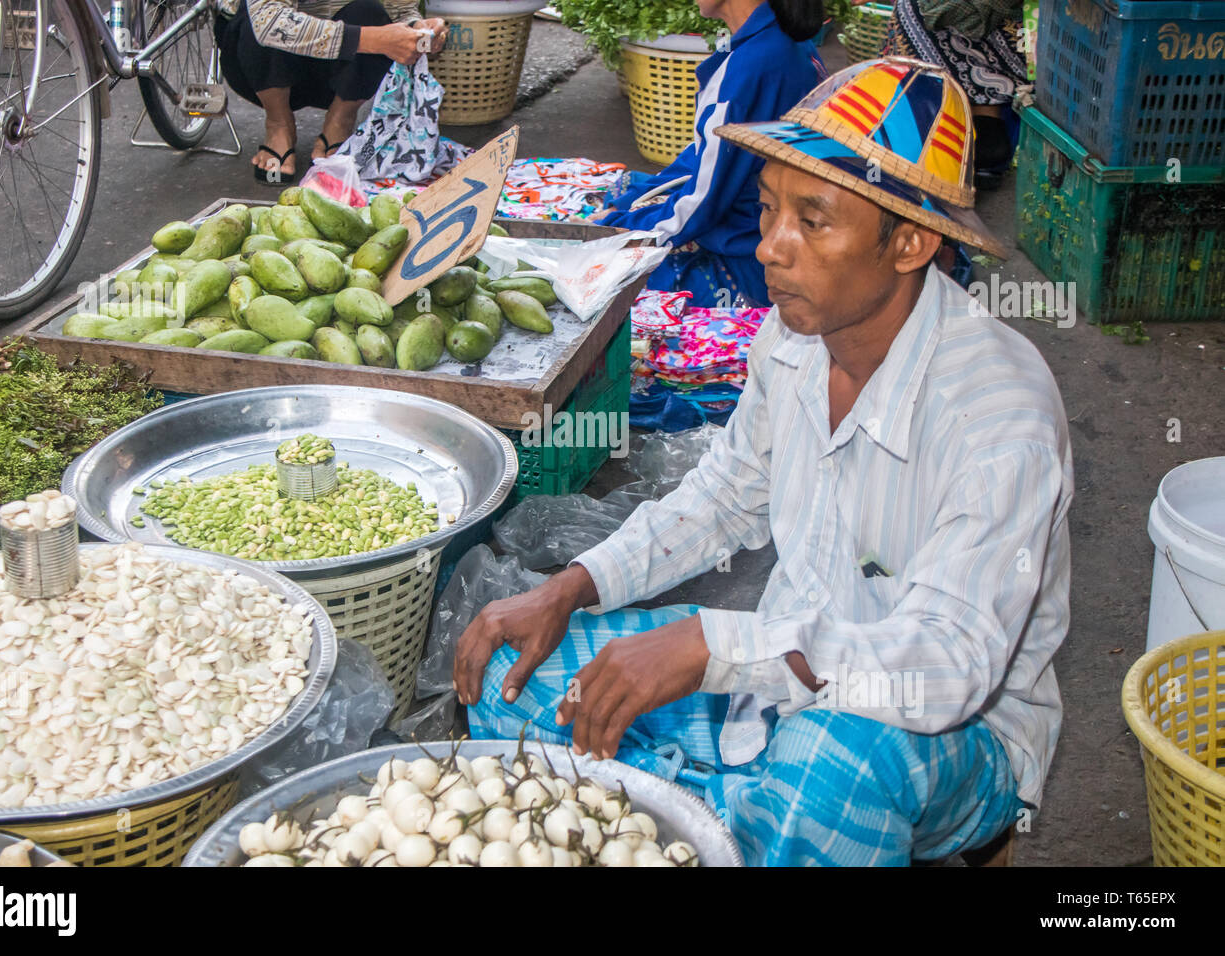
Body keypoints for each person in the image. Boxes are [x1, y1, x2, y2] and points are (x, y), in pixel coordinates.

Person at [454, 59, 1072, 867]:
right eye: (769, 208)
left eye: (812, 221)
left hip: (951, 729)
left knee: (828, 763)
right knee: (515, 668)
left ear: (911, 242)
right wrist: (572, 587)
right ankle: (729, 821)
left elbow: (945, 670)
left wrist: (713, 647)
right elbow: (720, 498)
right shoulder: (793, 338)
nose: (771, 248)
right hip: (782, 676)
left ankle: (762, 814)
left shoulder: (998, 418)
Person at [593, 0, 828, 308]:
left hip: (754, 265)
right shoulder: (783, 44)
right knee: (626, 190)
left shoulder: (748, 67)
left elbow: (703, 202)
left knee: (606, 277)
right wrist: (626, 212)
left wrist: (622, 233)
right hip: (782, 239)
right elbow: (704, 159)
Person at [213, 0, 448, 183]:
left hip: (337, 70)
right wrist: (374, 39)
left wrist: (418, 31)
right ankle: (278, 124)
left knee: (370, 11)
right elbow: (269, 22)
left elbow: (400, 11)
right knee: (259, 20)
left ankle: (340, 121)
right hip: (258, 66)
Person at [879, 0, 1028, 177]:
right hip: (1036, 34)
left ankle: (926, 138)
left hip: (1034, 42)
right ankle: (985, 129)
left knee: (912, 9)